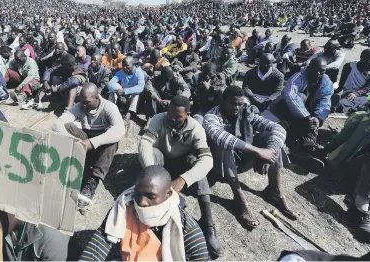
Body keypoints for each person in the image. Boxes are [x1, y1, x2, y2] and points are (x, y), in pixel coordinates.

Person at [202, 85, 297, 229]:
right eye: (232, 103)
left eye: (239, 104)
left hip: (243, 159)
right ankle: (239, 199)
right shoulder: (212, 116)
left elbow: (278, 129)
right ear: (223, 101)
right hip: (220, 165)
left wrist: (270, 151)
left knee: (273, 140)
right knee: (223, 144)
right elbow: (220, 137)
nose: (236, 107)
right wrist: (258, 151)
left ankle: (274, 191)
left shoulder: (246, 111)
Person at [139, 95, 221, 257]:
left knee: (196, 165)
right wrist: (154, 177)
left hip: (182, 164)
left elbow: (207, 159)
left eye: (178, 117)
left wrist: (184, 179)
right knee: (153, 152)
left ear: (187, 115)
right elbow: (145, 142)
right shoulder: (158, 119)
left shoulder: (196, 128)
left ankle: (207, 222)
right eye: (170, 114)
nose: (172, 118)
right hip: (162, 161)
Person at [79, 165, 210, 261]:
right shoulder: (123, 208)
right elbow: (99, 246)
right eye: (137, 193)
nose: (142, 202)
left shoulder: (187, 228)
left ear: (168, 194)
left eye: (151, 197)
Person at [52, 83, 125, 213]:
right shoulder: (80, 106)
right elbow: (58, 124)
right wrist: (75, 143)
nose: (84, 105)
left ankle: (93, 181)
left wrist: (91, 143)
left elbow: (120, 130)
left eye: (87, 102)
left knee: (113, 142)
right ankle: (72, 166)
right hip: (84, 141)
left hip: (100, 146)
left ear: (96, 97)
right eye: (82, 102)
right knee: (67, 127)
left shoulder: (109, 107)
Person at [322, 101, 370, 244]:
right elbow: (338, 141)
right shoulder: (364, 118)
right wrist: (322, 153)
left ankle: (358, 203)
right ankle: (359, 212)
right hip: (346, 172)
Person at [264, 58, 333, 171]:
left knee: (312, 124)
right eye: (316, 70)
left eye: (322, 71)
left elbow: (325, 101)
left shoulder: (326, 82)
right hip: (283, 108)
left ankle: (307, 150)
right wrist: (306, 116)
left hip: (304, 113)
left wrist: (318, 118)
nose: (319, 73)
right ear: (309, 68)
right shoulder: (297, 77)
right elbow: (290, 96)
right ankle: (297, 147)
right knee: (301, 99)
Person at [107, 57, 145, 126]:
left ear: (133, 65)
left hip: (132, 99)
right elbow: (110, 84)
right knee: (112, 91)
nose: (124, 67)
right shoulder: (121, 72)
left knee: (137, 93)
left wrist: (125, 91)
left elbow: (140, 87)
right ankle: (110, 112)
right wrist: (118, 91)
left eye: (127, 65)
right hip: (122, 97)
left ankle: (128, 115)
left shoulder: (138, 72)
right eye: (123, 65)